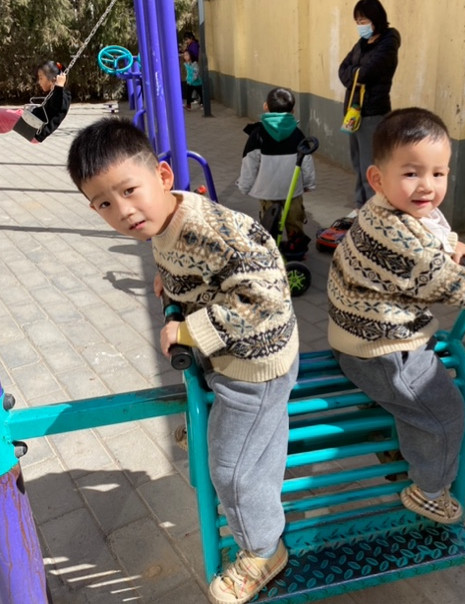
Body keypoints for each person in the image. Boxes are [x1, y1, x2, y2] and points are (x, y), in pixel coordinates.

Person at [67, 117, 299, 604]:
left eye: (129, 190)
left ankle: (264, 550)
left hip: (256, 366)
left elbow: (265, 300)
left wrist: (188, 329)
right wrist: (171, 282)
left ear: (163, 176)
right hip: (231, 355)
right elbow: (184, 259)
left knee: (232, 472)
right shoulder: (164, 218)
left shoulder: (210, 232)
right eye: (104, 204)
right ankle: (218, 433)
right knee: (227, 441)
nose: (124, 211)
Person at [326, 107, 465, 525]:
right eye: (412, 173)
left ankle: (392, 429)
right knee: (446, 414)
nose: (427, 187)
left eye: (438, 173)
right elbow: (442, 281)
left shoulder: (388, 209)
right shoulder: (393, 233)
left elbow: (429, 233)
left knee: (426, 399)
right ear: (377, 178)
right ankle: (429, 492)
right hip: (383, 350)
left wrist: (452, 245)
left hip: (362, 331)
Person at [237, 87, 316, 258]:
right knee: (295, 221)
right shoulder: (297, 134)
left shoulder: (258, 134)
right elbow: (306, 161)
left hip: (267, 191)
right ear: (293, 110)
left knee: (270, 221)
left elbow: (249, 163)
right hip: (292, 190)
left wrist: (244, 186)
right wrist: (309, 183)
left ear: (266, 106)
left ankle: (270, 252)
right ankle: (297, 251)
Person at [339, 0, 401, 211]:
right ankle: (360, 207)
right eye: (357, 21)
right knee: (357, 164)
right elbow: (343, 69)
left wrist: (355, 73)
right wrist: (355, 74)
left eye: (363, 20)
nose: (360, 25)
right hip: (354, 112)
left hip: (373, 112)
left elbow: (366, 72)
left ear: (376, 19)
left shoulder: (388, 41)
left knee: (370, 166)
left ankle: (374, 210)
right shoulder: (362, 43)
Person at [0, 60, 71, 142]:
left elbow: (58, 105)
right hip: (33, 125)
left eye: (41, 78)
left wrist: (59, 86)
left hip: (36, 130)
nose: (39, 82)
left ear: (53, 79)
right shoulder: (56, 93)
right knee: (4, 117)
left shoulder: (62, 95)